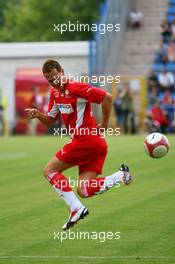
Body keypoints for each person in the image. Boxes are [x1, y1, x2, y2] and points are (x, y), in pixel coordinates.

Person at [25, 59, 132, 230]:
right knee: (84, 190)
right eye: (49, 80)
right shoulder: (55, 93)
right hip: (93, 145)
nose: (54, 82)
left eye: (55, 77)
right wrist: (38, 114)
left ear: (62, 71)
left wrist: (104, 124)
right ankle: (120, 176)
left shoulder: (76, 87)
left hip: (86, 141)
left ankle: (76, 208)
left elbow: (107, 98)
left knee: (49, 171)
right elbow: (51, 121)